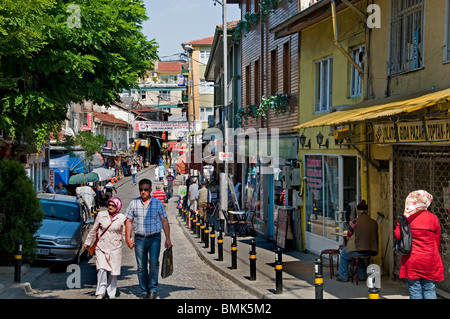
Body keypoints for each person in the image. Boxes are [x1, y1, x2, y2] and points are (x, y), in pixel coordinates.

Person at [124, 178, 172, 299]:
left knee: (154, 263)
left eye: (146, 190)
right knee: (141, 266)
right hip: (139, 239)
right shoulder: (133, 203)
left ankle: (153, 289)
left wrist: (168, 239)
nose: (143, 192)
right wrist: (128, 238)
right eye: (141, 190)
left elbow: (164, 221)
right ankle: (144, 290)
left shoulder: (158, 203)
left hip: (155, 238)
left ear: (150, 190)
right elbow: (128, 221)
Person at [394, 190, 444, 299]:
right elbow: (437, 242)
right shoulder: (433, 218)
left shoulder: (406, 218)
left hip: (412, 260)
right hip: (430, 260)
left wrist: (401, 222)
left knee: (415, 291)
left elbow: (398, 236)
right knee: (430, 289)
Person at [84, 197, 126, 299]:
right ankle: (101, 291)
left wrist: (130, 242)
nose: (110, 207)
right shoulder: (101, 215)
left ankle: (111, 292)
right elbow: (94, 230)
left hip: (115, 247)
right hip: (101, 247)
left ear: (117, 207)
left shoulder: (122, 218)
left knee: (113, 271)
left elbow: (125, 233)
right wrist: (87, 242)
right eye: (109, 205)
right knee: (101, 269)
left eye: (113, 205)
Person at [337, 200, 378, 282]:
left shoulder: (355, 221)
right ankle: (362, 275)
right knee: (360, 256)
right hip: (372, 250)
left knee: (344, 254)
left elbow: (348, 235)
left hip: (358, 250)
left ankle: (343, 276)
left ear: (358, 211)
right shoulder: (374, 222)